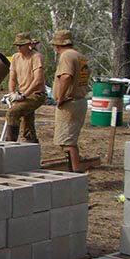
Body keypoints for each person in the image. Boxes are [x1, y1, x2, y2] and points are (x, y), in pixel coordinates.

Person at [49, 30, 90, 172]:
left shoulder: (66, 56)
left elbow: (66, 77)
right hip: (80, 100)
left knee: (67, 141)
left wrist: (60, 98)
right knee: (70, 139)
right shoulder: (80, 56)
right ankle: (75, 169)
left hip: (70, 103)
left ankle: (74, 172)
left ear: (57, 45)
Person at [4, 32, 46, 143]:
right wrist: (12, 93)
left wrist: (24, 95)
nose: (18, 48)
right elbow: (12, 78)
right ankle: (31, 142)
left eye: (21, 45)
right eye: (17, 45)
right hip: (23, 95)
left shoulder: (36, 57)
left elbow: (38, 80)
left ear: (28, 44)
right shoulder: (15, 57)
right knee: (28, 121)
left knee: (13, 113)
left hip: (37, 95)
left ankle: (9, 143)